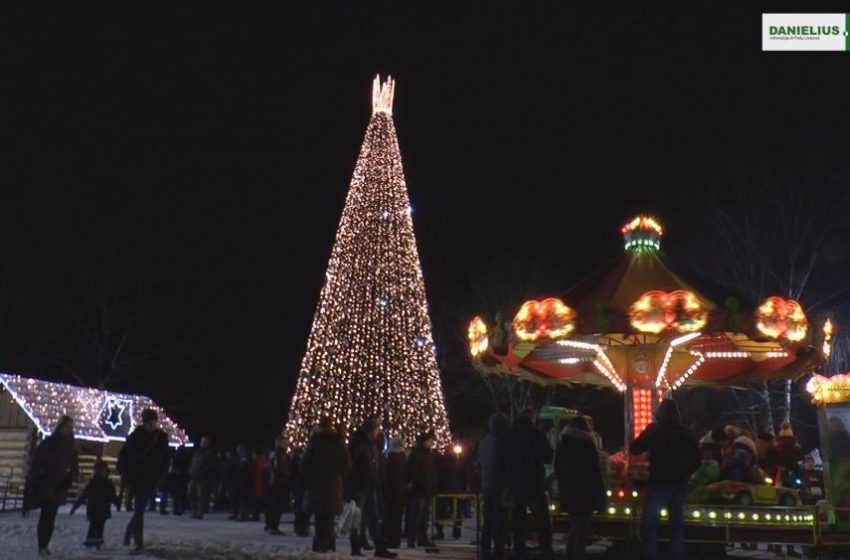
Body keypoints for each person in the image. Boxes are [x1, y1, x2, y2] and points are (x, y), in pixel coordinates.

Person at [631, 399, 700, 560]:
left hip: (658, 481)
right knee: (676, 526)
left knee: (650, 525)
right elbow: (697, 461)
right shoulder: (686, 433)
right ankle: (676, 555)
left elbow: (636, 448)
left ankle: (649, 555)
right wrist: (686, 472)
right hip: (679, 483)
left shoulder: (654, 430)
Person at [24, 415, 79, 557]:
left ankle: (45, 545)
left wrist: (68, 481)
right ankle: (41, 545)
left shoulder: (71, 446)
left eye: (70, 427)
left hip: (59, 486)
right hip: (45, 484)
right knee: (45, 516)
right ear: (60, 427)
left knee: (51, 517)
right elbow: (37, 462)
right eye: (66, 426)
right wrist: (38, 478)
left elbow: (74, 467)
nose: (68, 429)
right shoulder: (49, 443)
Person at [117, 408, 170, 551]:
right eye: (149, 422)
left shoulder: (161, 437)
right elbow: (124, 454)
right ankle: (138, 542)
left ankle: (129, 531)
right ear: (144, 422)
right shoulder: (136, 435)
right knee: (139, 509)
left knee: (140, 510)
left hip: (152, 479)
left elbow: (166, 458)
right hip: (137, 478)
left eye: (153, 421)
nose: (151, 424)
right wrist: (123, 471)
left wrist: (162, 474)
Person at [504, 408, 553, 560]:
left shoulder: (510, 435)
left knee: (518, 521)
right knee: (543, 521)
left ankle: (519, 551)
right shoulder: (536, 434)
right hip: (534, 483)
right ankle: (546, 551)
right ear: (532, 419)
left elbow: (503, 458)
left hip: (515, 484)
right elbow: (548, 456)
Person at [555, 415, 605, 560]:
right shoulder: (587, 445)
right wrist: (599, 493)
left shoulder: (563, 443)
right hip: (585, 492)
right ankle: (576, 555)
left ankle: (570, 554)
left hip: (568, 491)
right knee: (581, 528)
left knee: (575, 525)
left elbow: (558, 468)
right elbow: (594, 471)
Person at [302, 417, 351, 553]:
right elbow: (346, 463)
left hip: (317, 482)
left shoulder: (315, 441)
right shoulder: (339, 441)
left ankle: (320, 543)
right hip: (333, 482)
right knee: (329, 516)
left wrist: (309, 477)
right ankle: (329, 542)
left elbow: (306, 462)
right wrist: (340, 476)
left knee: (319, 516)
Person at [349, 418, 397, 558]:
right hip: (359, 486)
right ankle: (356, 546)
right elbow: (352, 466)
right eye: (375, 430)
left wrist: (378, 482)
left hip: (370, 486)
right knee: (357, 518)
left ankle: (379, 547)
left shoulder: (373, 446)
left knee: (373, 517)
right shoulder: (359, 446)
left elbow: (376, 466)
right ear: (369, 431)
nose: (377, 433)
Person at [477, 413, 510, 559]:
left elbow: (480, 463)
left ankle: (485, 548)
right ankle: (498, 549)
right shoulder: (503, 441)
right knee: (500, 520)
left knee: (489, 519)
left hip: (487, 485)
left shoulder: (484, 442)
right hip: (500, 486)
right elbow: (506, 465)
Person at [70, 460, 120, 549]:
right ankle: (90, 540)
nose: (103, 473)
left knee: (100, 526)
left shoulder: (108, 484)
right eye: (101, 471)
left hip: (104, 508)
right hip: (93, 508)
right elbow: (84, 495)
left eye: (104, 471)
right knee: (93, 525)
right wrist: (76, 506)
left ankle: (98, 542)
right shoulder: (93, 483)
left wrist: (117, 503)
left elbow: (112, 495)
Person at [407, 432, 438, 549]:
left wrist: (433, 482)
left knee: (424, 516)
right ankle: (412, 539)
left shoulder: (429, 454)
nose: (432, 443)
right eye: (430, 441)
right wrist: (422, 481)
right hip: (419, 489)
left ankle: (422, 538)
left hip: (427, 489)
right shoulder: (416, 454)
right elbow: (414, 472)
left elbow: (432, 470)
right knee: (416, 515)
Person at [383, 438, 408, 549]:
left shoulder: (390, 457)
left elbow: (386, 475)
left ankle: (390, 539)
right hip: (401, 491)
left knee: (390, 517)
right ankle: (395, 540)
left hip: (391, 491)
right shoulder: (403, 458)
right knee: (397, 517)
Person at [265, 435, 291, 535]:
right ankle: (272, 526)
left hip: (279, 482)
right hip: (277, 483)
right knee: (274, 505)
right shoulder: (277, 455)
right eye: (284, 442)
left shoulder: (281, 455)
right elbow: (274, 468)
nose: (286, 444)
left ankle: (272, 525)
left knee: (276, 505)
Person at [189, 436, 218, 519]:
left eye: (205, 441)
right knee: (191, 494)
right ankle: (195, 511)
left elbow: (209, 466)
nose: (203, 443)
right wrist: (191, 471)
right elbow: (193, 463)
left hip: (203, 478)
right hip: (194, 476)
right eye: (202, 441)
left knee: (201, 496)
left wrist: (201, 473)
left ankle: (200, 512)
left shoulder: (210, 453)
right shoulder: (197, 452)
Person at [686, 435, 721, 504]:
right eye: (704, 450)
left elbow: (713, 475)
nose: (706, 452)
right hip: (692, 495)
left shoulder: (713, 464)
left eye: (708, 450)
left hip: (705, 495)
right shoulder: (697, 462)